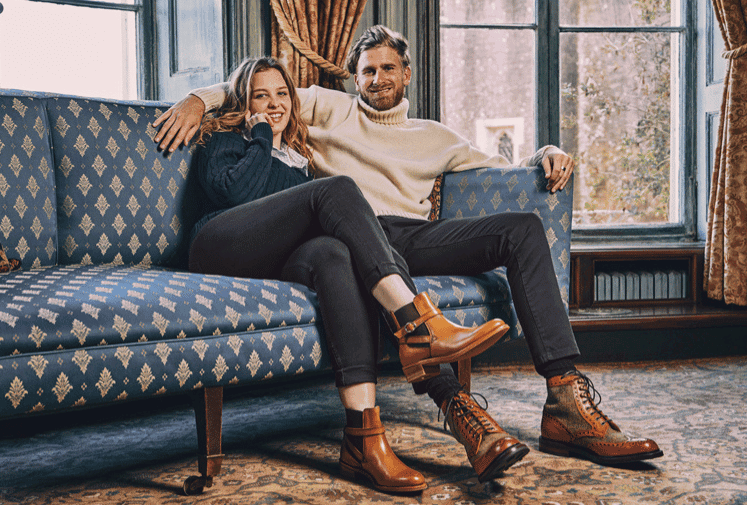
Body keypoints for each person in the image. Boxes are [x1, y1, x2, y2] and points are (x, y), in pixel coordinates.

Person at [155, 26, 663, 483]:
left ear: (406, 73)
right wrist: (199, 101)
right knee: (344, 213)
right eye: (366, 71)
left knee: (522, 229)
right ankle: (449, 387)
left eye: (387, 68)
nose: (377, 79)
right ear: (353, 78)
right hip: (349, 231)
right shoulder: (327, 109)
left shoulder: (429, 136)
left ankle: (566, 401)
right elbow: (249, 90)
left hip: (404, 235)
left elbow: (498, 167)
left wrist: (544, 154)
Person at [186, 56, 516, 493]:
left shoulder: (301, 157)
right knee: (339, 187)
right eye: (260, 96)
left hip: (269, 258)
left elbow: (296, 228)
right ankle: (417, 324)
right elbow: (237, 193)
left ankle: (363, 438)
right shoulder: (225, 138)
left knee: (334, 254)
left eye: (282, 94)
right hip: (217, 246)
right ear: (244, 103)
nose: (274, 103)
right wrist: (261, 134)